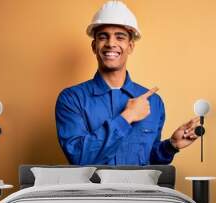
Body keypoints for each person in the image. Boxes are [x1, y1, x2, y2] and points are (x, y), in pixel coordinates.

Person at [55, 0, 200, 166]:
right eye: (103, 37)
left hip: (138, 193)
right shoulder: (72, 99)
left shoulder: (153, 102)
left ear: (130, 46)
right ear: (94, 46)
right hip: (92, 192)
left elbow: (149, 164)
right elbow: (80, 158)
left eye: (120, 37)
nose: (111, 43)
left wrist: (171, 146)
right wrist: (127, 116)